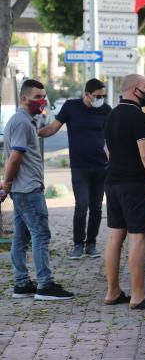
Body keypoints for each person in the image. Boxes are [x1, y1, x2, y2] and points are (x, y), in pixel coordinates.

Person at [2, 79, 74, 300]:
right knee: (41, 235)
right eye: (37, 97)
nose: (42, 100)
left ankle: (22, 284)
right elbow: (14, 158)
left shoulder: (25, 121)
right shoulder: (22, 122)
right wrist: (6, 184)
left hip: (25, 188)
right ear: (24, 98)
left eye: (43, 96)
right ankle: (45, 285)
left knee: (21, 237)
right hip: (28, 189)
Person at [104, 74, 145, 309]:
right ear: (133, 90)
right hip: (135, 185)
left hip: (112, 182)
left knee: (114, 237)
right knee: (139, 237)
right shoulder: (139, 117)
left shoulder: (110, 115)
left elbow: (108, 151)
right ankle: (138, 295)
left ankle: (112, 292)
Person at [38, 78, 111, 260]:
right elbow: (53, 128)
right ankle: (78, 244)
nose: (101, 98)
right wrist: (34, 132)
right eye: (97, 96)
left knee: (96, 207)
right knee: (82, 205)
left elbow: (112, 135)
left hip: (101, 166)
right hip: (80, 166)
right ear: (87, 94)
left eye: (104, 96)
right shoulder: (71, 107)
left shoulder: (106, 110)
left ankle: (91, 244)